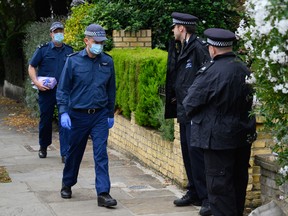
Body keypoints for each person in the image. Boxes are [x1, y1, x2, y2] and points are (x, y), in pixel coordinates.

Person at [183, 28, 257, 216]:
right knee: (237, 184)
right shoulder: (243, 68)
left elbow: (190, 102)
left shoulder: (212, 71)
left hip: (217, 140)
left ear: (213, 49)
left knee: (219, 188)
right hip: (241, 137)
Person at [56, 23, 117, 207]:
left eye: (102, 42)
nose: (99, 44)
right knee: (74, 152)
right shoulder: (73, 61)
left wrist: (110, 112)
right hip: (78, 115)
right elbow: (63, 89)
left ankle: (103, 193)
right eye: (96, 41)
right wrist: (64, 112)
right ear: (86, 41)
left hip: (99, 115)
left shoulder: (107, 61)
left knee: (101, 153)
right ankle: (67, 183)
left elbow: (111, 89)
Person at [164, 12, 211, 216]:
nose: (173, 30)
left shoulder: (199, 48)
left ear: (181, 28)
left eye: (174, 27)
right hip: (184, 110)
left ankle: (207, 198)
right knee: (187, 153)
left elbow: (206, 78)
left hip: (196, 112)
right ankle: (193, 191)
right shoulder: (182, 47)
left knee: (198, 156)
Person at [28, 21, 73, 163]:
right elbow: (31, 66)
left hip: (64, 92)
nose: (59, 34)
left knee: (64, 121)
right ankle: (43, 146)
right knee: (45, 120)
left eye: (61, 31)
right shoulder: (43, 50)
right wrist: (36, 83)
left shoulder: (69, 51)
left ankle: (65, 152)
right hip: (47, 92)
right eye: (56, 32)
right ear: (51, 34)